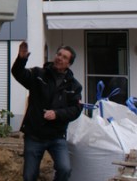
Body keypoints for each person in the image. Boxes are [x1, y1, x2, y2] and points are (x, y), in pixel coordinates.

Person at [11, 41, 83, 181]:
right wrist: (21, 59)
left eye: (64, 57)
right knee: (29, 175)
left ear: (69, 64)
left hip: (56, 136)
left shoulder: (74, 86)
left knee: (65, 169)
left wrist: (57, 114)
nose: (59, 58)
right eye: (59, 54)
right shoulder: (38, 74)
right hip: (34, 135)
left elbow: (76, 109)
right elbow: (18, 73)